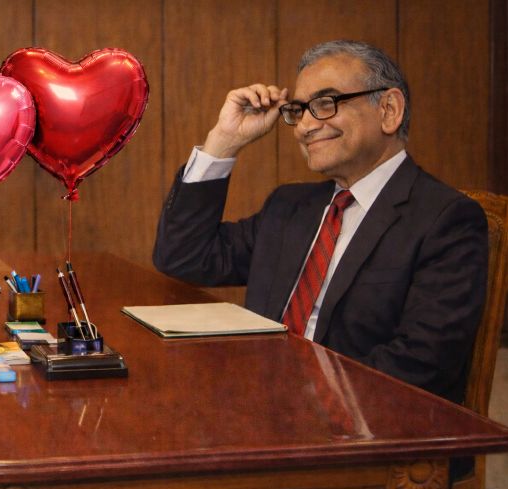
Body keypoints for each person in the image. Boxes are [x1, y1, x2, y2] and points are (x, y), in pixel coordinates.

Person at [153, 40, 488, 406]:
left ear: (389, 110)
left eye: (326, 105)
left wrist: (297, 396)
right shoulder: (290, 207)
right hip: (264, 409)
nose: (305, 126)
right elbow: (183, 257)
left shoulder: (446, 219)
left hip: (367, 429)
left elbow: (422, 362)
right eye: (299, 110)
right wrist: (223, 142)